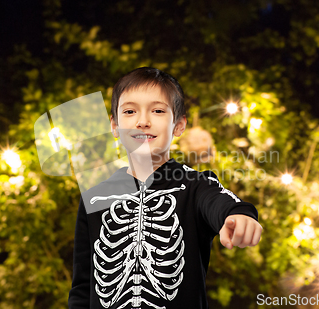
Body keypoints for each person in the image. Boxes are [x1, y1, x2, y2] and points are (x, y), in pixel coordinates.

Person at [68, 67, 262, 309]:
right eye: (129, 111)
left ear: (179, 126)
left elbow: (223, 204)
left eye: (158, 111)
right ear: (115, 126)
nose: (142, 121)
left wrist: (239, 215)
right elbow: (82, 287)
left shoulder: (196, 186)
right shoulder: (95, 197)